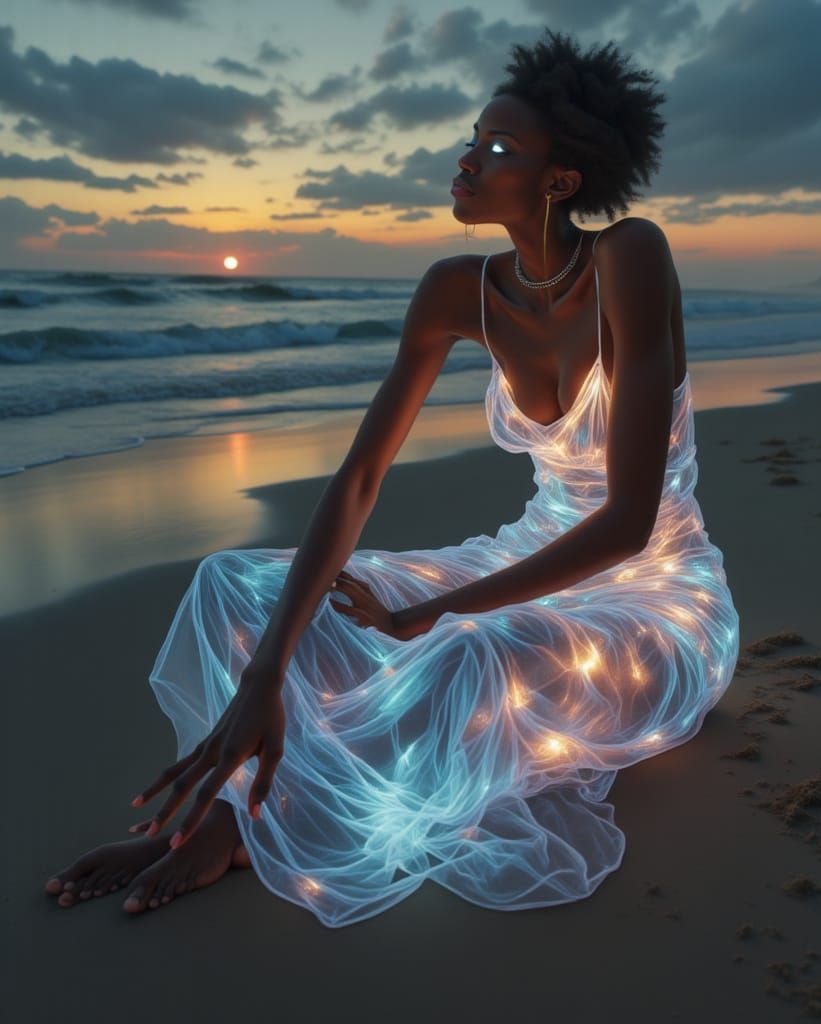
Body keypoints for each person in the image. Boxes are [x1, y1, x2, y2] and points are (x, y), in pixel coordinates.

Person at [45, 29, 740, 927]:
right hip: (527, 551)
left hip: (656, 603)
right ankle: (228, 806)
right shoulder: (456, 289)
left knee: (469, 655)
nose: (465, 160)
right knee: (238, 587)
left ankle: (250, 826)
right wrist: (264, 670)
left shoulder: (629, 259)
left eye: (497, 149)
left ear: (561, 180)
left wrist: (428, 613)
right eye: (473, 138)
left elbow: (627, 523)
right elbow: (362, 474)